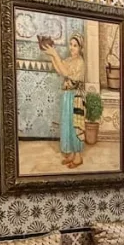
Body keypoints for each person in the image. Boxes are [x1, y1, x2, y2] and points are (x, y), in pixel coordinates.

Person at [42, 35, 86, 168]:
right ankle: (72, 154)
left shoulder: (80, 62)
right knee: (67, 124)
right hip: (68, 96)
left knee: (75, 126)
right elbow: (59, 68)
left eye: (75, 45)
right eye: (70, 44)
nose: (71, 48)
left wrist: (55, 54)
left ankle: (78, 157)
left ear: (80, 48)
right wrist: (52, 55)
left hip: (75, 98)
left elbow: (66, 71)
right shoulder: (70, 59)